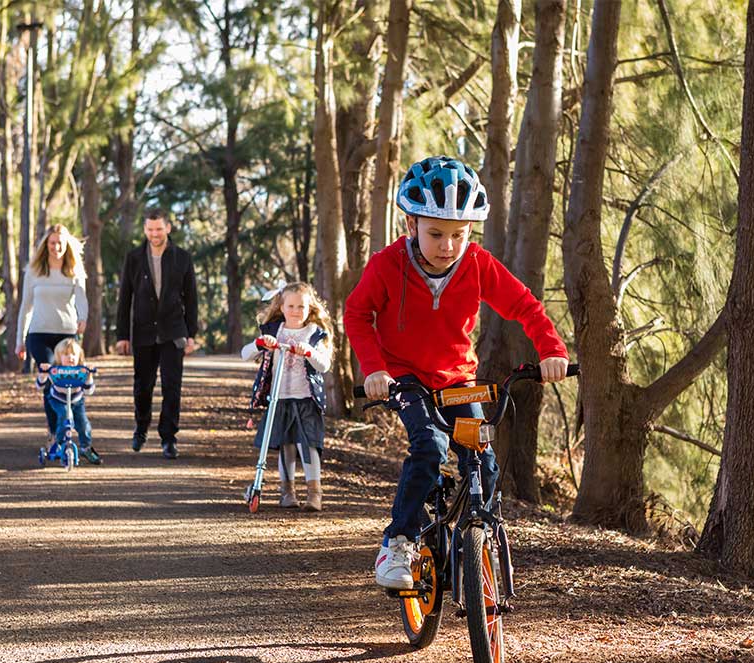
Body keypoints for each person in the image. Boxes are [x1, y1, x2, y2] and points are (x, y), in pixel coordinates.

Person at [344, 155, 570, 590]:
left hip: (458, 382)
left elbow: (525, 306)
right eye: (435, 233)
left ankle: (477, 539)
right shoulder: (387, 265)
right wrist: (374, 368)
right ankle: (400, 542)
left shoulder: (478, 264)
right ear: (410, 225)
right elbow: (358, 312)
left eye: (458, 234)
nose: (447, 245)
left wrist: (551, 350)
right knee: (428, 448)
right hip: (406, 380)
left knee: (482, 461)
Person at [115, 208, 199, 460]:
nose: (155, 234)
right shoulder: (134, 258)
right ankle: (141, 428)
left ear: (168, 228)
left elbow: (191, 298)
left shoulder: (182, 258)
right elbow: (124, 299)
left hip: (173, 331)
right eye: (150, 229)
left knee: (172, 388)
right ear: (145, 230)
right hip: (142, 333)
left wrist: (191, 333)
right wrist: (122, 335)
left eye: (159, 229)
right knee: (143, 386)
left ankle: (168, 438)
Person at [241, 282, 333, 511]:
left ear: (309, 307)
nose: (295, 311)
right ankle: (287, 491)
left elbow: (324, 365)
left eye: (301, 306)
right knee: (286, 445)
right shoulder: (273, 331)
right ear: (281, 307)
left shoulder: (313, 333)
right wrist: (260, 344)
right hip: (279, 398)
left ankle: (314, 493)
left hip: (306, 399)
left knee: (309, 445)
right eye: (290, 306)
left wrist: (309, 351)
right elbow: (245, 354)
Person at [15, 224, 99, 462]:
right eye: (52, 243)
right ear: (46, 245)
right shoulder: (34, 272)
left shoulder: (74, 271)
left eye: (60, 243)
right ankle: (54, 433)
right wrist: (19, 341)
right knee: (51, 377)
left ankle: (73, 431)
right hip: (38, 334)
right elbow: (25, 307)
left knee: (68, 380)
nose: (56, 247)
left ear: (67, 245)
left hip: (66, 334)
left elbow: (82, 299)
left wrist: (83, 318)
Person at [36, 338, 99, 464]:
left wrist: (89, 375)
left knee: (83, 424)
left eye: (73, 354)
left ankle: (86, 447)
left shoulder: (81, 370)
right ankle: (59, 443)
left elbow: (88, 391)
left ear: (79, 356)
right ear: (59, 357)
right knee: (65, 416)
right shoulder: (54, 370)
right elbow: (40, 386)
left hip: (77, 400)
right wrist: (43, 373)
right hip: (58, 399)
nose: (70, 357)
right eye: (66, 354)